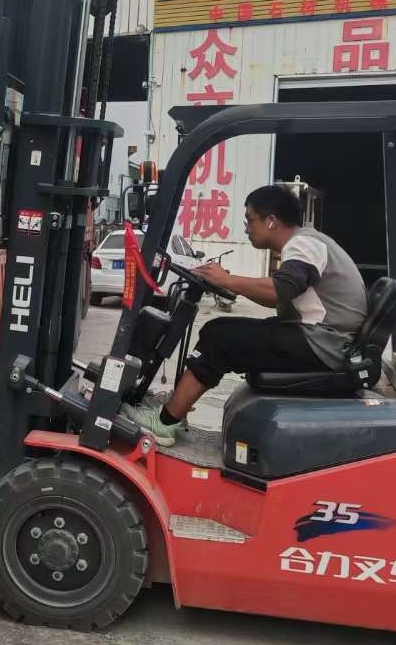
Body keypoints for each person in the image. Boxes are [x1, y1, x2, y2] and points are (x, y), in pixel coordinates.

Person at [127, 184, 368, 447]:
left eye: (250, 220)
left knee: (218, 337)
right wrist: (230, 284)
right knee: (219, 331)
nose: (246, 228)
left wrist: (228, 281)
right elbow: (275, 297)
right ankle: (176, 411)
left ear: (271, 221)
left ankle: (165, 422)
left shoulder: (304, 244)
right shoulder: (307, 243)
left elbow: (279, 290)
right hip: (321, 340)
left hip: (324, 344)